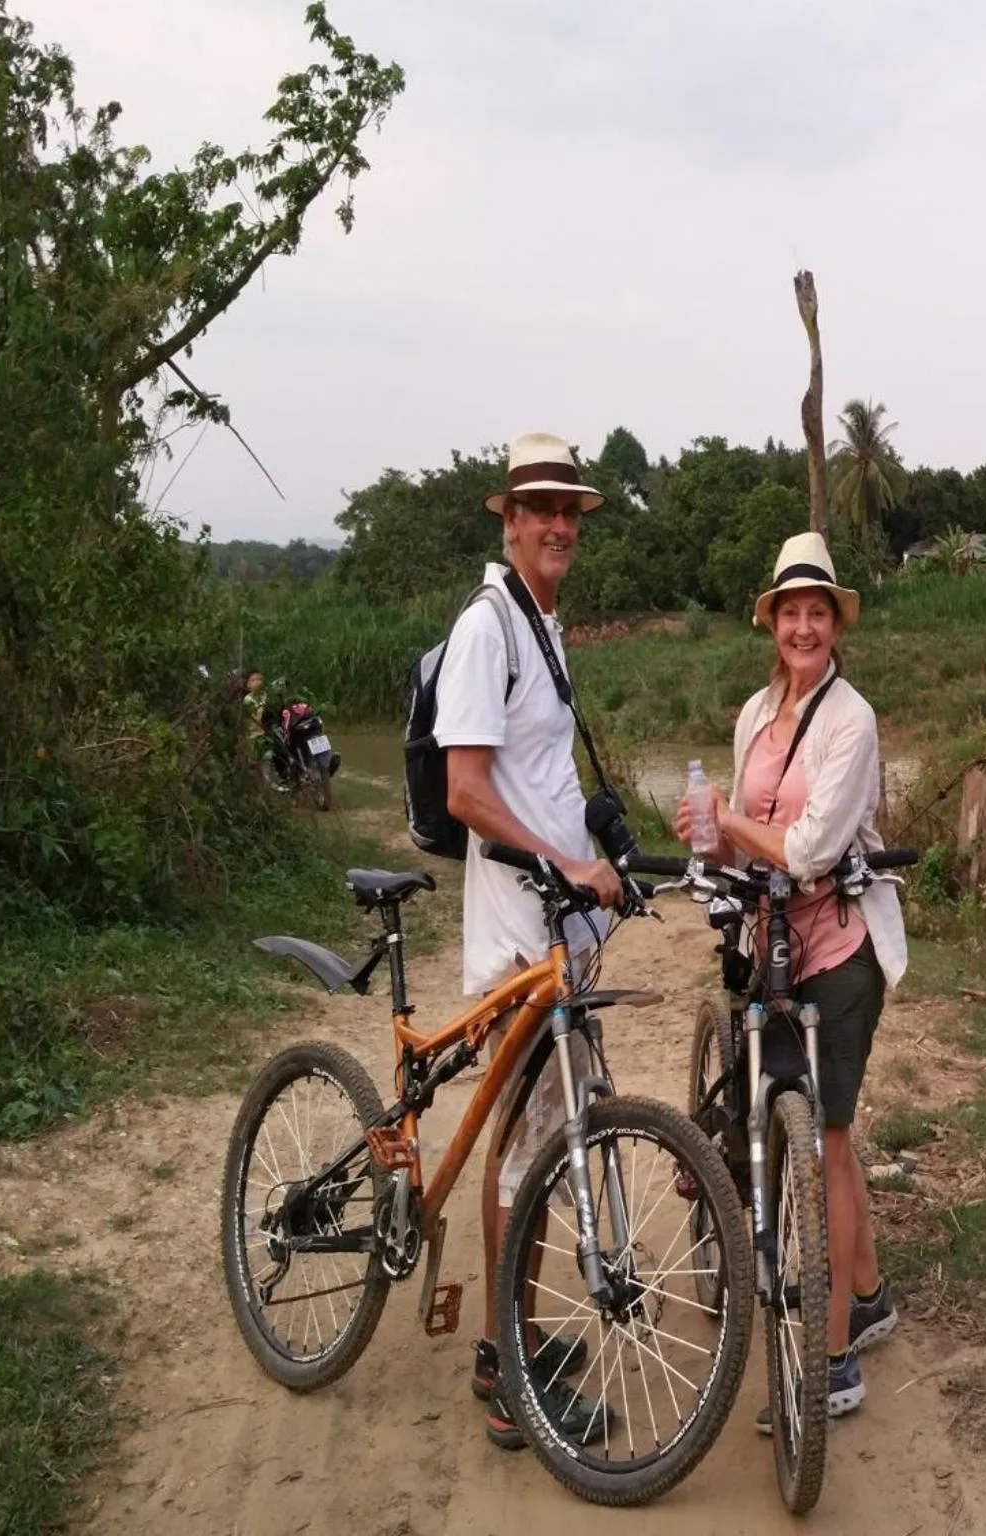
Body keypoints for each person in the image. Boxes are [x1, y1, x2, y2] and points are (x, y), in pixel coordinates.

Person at [676, 531, 908, 1426]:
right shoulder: (753, 715)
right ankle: (871, 1292)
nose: (803, 627)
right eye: (790, 612)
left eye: (818, 612)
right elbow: (738, 834)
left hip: (839, 948)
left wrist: (733, 820)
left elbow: (810, 851)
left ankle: (834, 1355)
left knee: (827, 1144)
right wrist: (710, 828)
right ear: (771, 622)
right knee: (812, 1135)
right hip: (765, 943)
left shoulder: (852, 720)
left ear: (835, 623)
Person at [432, 431, 623, 1450]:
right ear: (507, 519)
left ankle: (520, 1326)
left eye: (569, 511)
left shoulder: (545, 627)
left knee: (549, 1143)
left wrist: (602, 859)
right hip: (518, 936)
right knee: (520, 1155)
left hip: (563, 929)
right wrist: (560, 867)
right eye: (537, 507)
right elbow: (467, 792)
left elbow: (544, 781)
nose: (556, 524)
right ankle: (509, 1370)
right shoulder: (487, 629)